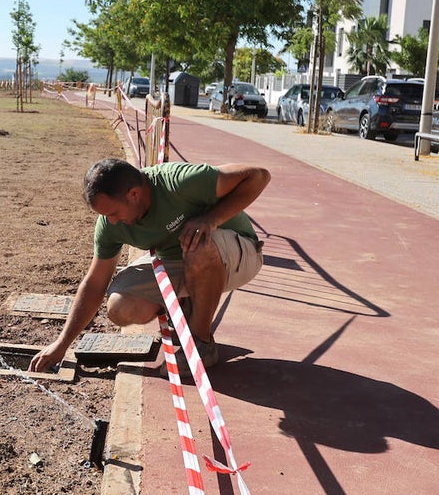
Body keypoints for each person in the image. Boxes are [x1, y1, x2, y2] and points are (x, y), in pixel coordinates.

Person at [28, 157, 269, 374]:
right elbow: (95, 283)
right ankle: (187, 306)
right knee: (120, 307)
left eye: (113, 212)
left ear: (134, 194)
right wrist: (61, 343)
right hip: (183, 261)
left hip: (238, 255)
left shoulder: (180, 181)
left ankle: (201, 343)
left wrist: (211, 219)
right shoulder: (109, 224)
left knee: (197, 244)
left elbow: (258, 176)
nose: (111, 221)